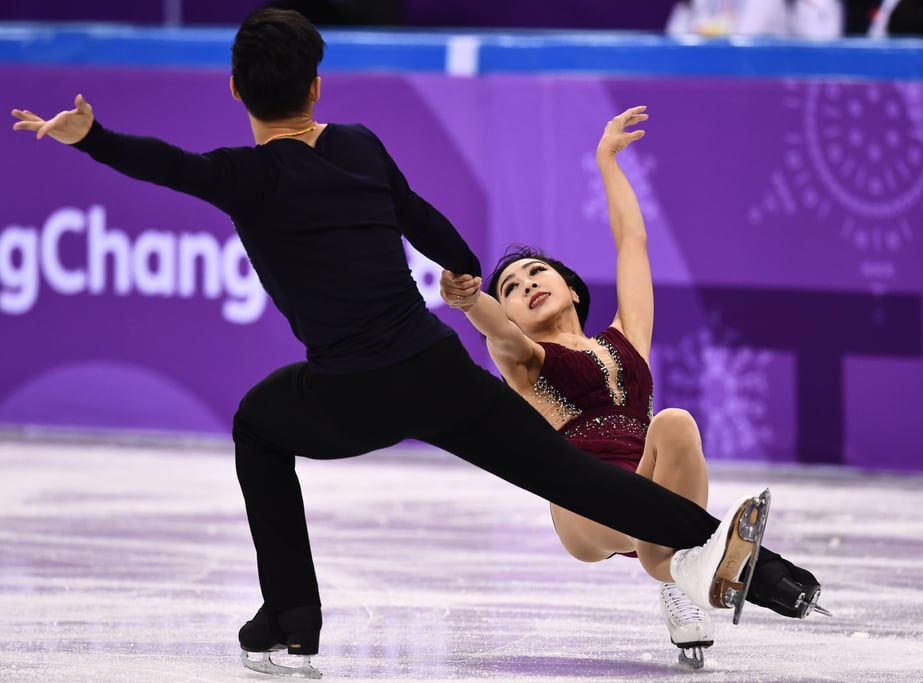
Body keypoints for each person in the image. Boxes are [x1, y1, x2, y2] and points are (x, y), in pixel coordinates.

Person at [11, 8, 825, 679]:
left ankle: (292, 617)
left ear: (235, 91)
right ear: (317, 86)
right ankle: (726, 549)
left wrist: (91, 136)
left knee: (259, 426)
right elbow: (430, 227)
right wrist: (469, 273)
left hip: (345, 393)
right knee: (570, 474)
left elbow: (170, 166)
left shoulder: (243, 175)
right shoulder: (360, 146)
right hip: (434, 370)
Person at [441, 106, 723, 666]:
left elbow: (633, 243)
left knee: (675, 422)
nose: (526, 285)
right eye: (512, 288)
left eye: (536, 274)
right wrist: (472, 300)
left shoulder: (627, 339)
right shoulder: (524, 360)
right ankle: (681, 563)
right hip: (581, 497)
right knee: (641, 511)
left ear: (570, 288)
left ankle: (675, 571)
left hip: (643, 481)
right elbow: (494, 329)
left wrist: (607, 159)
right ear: (512, 316)